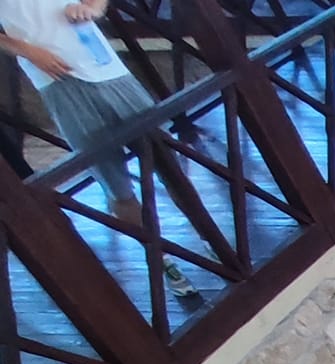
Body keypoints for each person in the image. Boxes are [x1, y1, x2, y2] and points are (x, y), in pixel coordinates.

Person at [0, 0, 199, 296]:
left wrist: (92, 8)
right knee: (115, 185)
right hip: (58, 83)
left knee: (167, 164)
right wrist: (28, 51)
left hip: (109, 71)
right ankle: (163, 261)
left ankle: (211, 239)